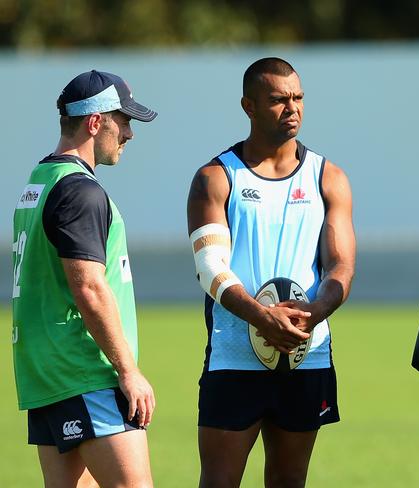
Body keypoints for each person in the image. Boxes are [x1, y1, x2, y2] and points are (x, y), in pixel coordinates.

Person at [186, 57, 355, 488]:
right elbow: (209, 268)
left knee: (288, 480)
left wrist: (315, 312)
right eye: (278, 100)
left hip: (305, 352)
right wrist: (263, 318)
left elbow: (341, 266)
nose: (292, 108)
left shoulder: (328, 177)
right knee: (219, 481)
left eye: (298, 98)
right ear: (249, 106)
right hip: (234, 356)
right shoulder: (215, 177)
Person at [12, 70, 158, 487]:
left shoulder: (38, 182)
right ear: (96, 123)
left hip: (45, 376)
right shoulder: (81, 190)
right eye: (124, 121)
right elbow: (90, 288)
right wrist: (128, 371)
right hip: (86, 373)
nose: (129, 133)